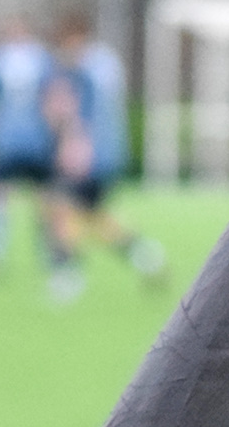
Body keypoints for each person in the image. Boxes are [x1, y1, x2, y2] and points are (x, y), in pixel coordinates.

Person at [47, 16, 168, 297]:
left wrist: (75, 147)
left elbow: (82, 113)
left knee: (61, 208)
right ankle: (146, 256)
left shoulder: (83, 68)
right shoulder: (107, 63)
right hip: (111, 153)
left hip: (90, 155)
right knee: (93, 216)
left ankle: (67, 276)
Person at [0, 15, 65, 290]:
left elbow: (53, 99)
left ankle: (36, 254)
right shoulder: (33, 58)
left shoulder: (6, 59)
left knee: (39, 200)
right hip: (17, 141)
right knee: (7, 196)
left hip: (25, 141)